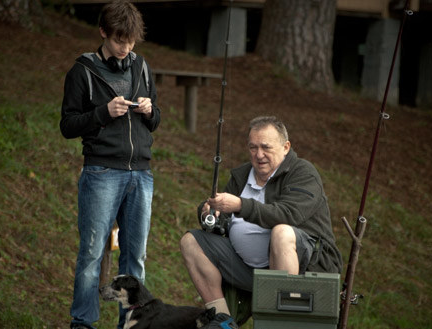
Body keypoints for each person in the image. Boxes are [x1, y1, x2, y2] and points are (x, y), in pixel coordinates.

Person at [180, 116, 342, 324]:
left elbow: (287, 214)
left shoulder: (303, 173)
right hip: (247, 269)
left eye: (266, 147)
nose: (259, 155)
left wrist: (240, 205)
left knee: (282, 233)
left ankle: (281, 323)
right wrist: (211, 212)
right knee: (190, 241)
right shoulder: (241, 175)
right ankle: (222, 323)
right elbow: (223, 218)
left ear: (286, 147)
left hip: (305, 267)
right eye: (253, 147)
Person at [59, 1, 160, 328]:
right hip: (101, 172)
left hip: (141, 175)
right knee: (91, 255)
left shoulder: (141, 66)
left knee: (136, 259)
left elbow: (155, 120)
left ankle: (131, 324)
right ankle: (82, 323)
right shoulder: (82, 70)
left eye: (130, 42)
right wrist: (103, 112)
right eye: (119, 40)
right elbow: (68, 125)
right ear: (103, 32)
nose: (125, 48)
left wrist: (148, 110)